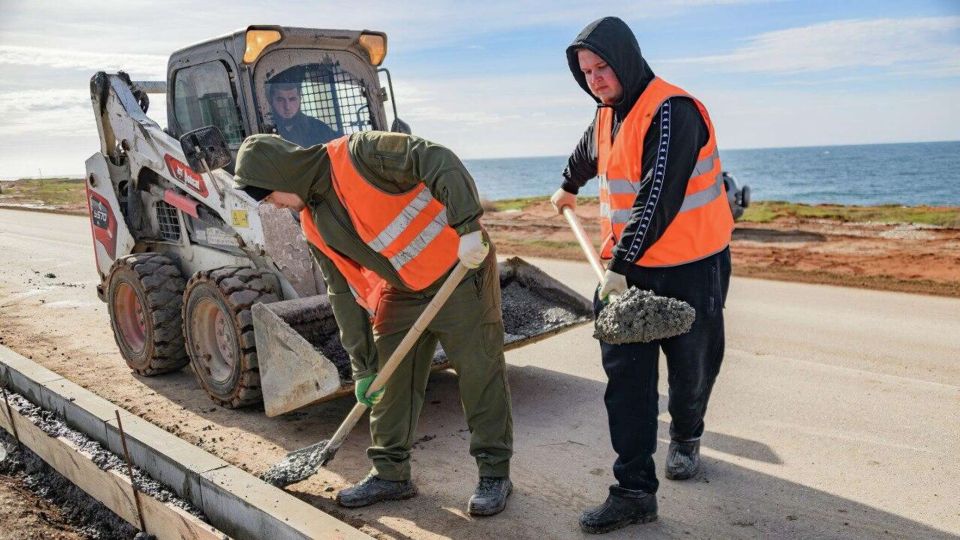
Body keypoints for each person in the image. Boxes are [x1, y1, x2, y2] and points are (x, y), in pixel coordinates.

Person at [233, 131, 514, 517]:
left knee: (479, 372)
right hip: (404, 289)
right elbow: (341, 292)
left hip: (461, 270)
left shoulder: (359, 154)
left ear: (280, 175)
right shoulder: (311, 222)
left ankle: (494, 472)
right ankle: (390, 473)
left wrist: (467, 224)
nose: (274, 206)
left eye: (269, 196)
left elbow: (437, 157)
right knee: (388, 380)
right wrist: (363, 366)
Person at [550, 16, 734, 534]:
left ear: (625, 59)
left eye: (602, 67)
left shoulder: (674, 110)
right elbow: (590, 152)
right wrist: (568, 184)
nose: (596, 79)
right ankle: (633, 491)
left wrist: (619, 267)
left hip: (691, 268)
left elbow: (658, 196)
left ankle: (687, 433)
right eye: (586, 72)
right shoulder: (606, 114)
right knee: (626, 384)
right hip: (628, 273)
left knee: (691, 368)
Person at [267, 82, 339, 147]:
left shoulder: (319, 129)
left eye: (292, 99)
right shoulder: (265, 131)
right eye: (280, 100)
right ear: (271, 100)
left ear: (300, 98)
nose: (287, 107)